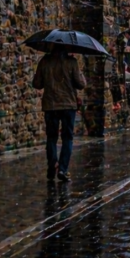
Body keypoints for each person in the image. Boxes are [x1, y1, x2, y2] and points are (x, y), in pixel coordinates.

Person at [32, 46, 86, 181]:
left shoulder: (44, 61)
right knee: (67, 137)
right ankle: (62, 169)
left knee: (51, 137)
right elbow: (80, 84)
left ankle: (52, 164)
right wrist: (81, 75)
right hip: (68, 105)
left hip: (50, 106)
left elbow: (37, 84)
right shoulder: (72, 62)